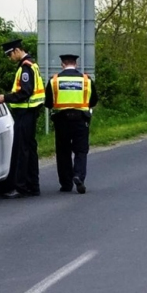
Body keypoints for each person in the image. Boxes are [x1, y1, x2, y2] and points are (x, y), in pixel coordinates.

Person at [0, 38, 45, 199]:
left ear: (17, 50)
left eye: (10, 54)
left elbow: (25, 92)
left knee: (22, 151)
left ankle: (21, 187)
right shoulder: (32, 64)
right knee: (30, 150)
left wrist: (6, 98)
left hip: (25, 114)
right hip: (30, 113)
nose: (10, 58)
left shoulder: (25, 68)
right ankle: (33, 185)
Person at [44, 54, 98, 194]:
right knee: (81, 150)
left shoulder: (54, 80)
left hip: (61, 120)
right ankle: (78, 176)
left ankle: (66, 184)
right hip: (81, 120)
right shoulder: (86, 80)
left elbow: (48, 103)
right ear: (76, 64)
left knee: (63, 152)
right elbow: (93, 101)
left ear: (62, 64)